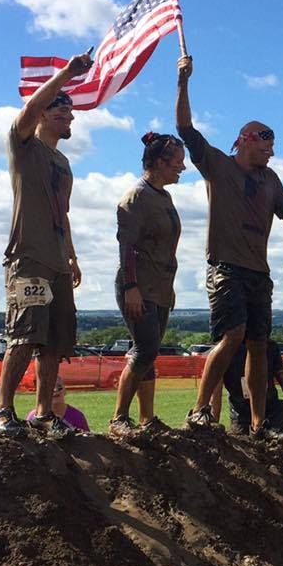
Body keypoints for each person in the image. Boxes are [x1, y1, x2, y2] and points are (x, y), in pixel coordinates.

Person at [175, 55, 283, 437]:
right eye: (265, 147)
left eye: (272, 148)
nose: (271, 153)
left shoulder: (270, 178)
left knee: (258, 344)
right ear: (246, 140)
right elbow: (185, 128)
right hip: (226, 267)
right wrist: (183, 81)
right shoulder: (219, 166)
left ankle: (258, 425)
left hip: (260, 272)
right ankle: (200, 410)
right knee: (233, 336)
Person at [0, 51, 93, 436]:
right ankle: (0, 411)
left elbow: (62, 214)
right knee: (25, 334)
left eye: (71, 113)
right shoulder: (23, 145)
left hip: (58, 261)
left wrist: (72, 256)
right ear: (45, 114)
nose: (69, 117)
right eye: (60, 111)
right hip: (27, 256)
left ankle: (45, 413)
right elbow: (30, 107)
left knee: (55, 341)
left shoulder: (64, 164)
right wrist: (66, 74)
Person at [107, 131, 186, 439]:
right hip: (138, 286)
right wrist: (131, 286)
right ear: (158, 162)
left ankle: (146, 418)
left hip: (161, 287)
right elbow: (126, 245)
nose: (182, 168)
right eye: (177, 162)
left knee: (149, 354)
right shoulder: (136, 197)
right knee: (145, 349)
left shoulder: (164, 196)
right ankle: (119, 418)